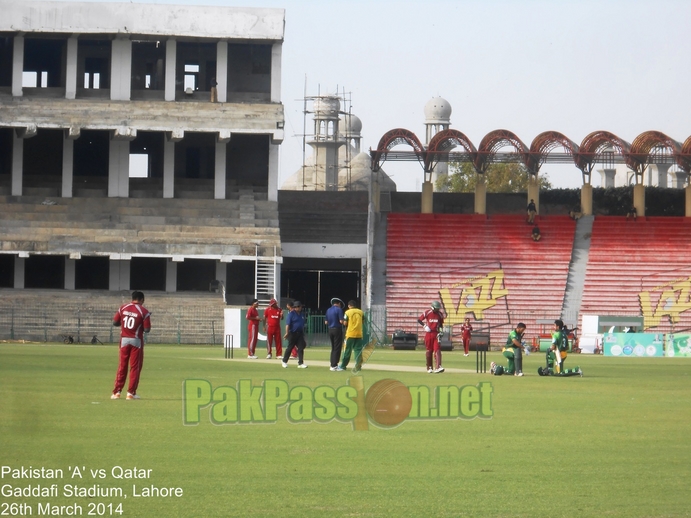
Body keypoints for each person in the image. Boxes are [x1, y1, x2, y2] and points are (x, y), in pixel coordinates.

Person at [111, 291, 151, 400]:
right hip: (136, 341)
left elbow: (115, 322)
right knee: (135, 367)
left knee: (122, 365)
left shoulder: (123, 308)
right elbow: (147, 329)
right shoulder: (144, 311)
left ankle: (116, 392)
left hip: (124, 340)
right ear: (142, 300)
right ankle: (130, 393)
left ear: (132, 298)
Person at [336, 300, 366, 373]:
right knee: (358, 351)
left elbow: (345, 323)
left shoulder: (347, 312)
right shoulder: (361, 312)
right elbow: (363, 322)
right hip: (359, 334)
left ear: (349, 306)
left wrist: (343, 322)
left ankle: (343, 366)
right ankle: (358, 367)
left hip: (350, 334)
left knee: (347, 350)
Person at [418, 301, 445, 373]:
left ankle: (438, 367)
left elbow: (441, 325)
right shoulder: (427, 312)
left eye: (438, 309)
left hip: (436, 334)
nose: (437, 310)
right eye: (436, 309)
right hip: (429, 334)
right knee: (429, 350)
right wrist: (425, 326)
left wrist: (441, 332)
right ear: (432, 308)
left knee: (437, 349)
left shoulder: (440, 314)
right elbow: (419, 320)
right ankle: (429, 367)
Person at [282, 300, 307, 368]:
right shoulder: (291, 314)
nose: (299, 308)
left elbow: (302, 323)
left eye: (300, 306)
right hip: (292, 333)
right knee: (290, 348)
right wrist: (287, 333)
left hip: (300, 333)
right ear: (295, 307)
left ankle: (300, 363)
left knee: (301, 347)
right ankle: (284, 361)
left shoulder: (301, 314)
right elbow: (287, 324)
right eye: (298, 307)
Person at [325, 298, 345, 371]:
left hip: (330, 329)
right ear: (339, 303)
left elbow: (326, 322)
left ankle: (332, 364)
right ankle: (334, 365)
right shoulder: (339, 310)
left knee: (333, 347)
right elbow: (341, 321)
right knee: (337, 347)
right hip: (337, 329)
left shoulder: (328, 310)